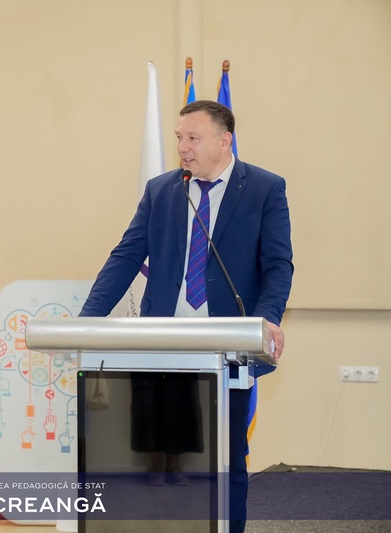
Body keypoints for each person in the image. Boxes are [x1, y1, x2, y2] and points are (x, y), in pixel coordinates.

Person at [80, 100, 293, 532]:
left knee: (224, 459)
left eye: (193, 138)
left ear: (224, 140)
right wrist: (86, 322)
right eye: (179, 137)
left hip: (229, 349)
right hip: (160, 346)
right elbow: (125, 257)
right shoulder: (161, 190)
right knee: (157, 459)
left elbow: (277, 265)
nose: (183, 147)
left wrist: (267, 318)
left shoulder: (264, 188)